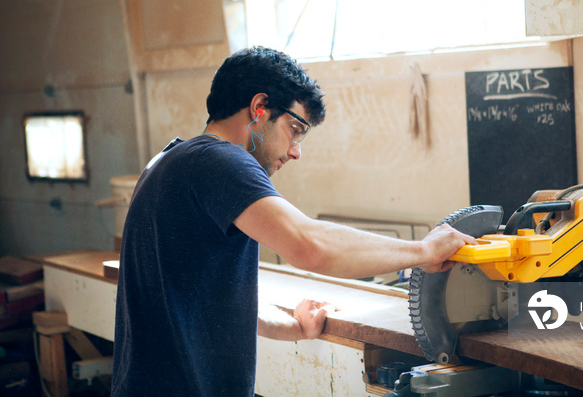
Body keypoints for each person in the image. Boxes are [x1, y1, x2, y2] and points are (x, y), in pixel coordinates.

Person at [111, 46, 474, 396]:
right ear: (259, 109)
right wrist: (425, 250)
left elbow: (202, 295)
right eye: (295, 129)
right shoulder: (219, 161)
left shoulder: (170, 159)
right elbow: (309, 245)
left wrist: (292, 326)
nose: (296, 151)